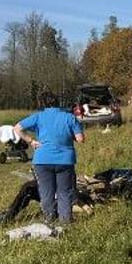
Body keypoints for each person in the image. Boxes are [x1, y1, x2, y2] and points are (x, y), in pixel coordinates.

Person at [14, 91, 85, 224]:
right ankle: (65, 222)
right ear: (57, 101)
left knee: (46, 192)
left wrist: (31, 141)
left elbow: (17, 128)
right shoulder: (69, 117)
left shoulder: (38, 117)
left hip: (42, 160)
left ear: (42, 103)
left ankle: (49, 219)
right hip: (65, 160)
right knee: (64, 192)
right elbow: (80, 139)